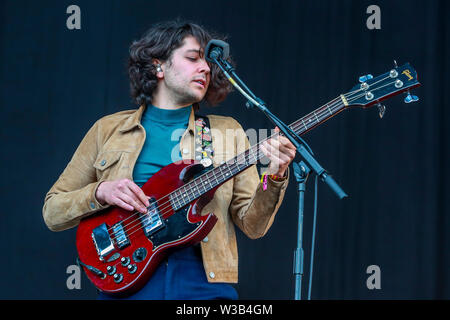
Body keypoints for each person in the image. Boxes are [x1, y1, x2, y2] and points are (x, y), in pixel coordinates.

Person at [42, 20, 296, 300]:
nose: (207, 68)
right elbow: (53, 211)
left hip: (203, 285)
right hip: (129, 283)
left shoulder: (227, 132)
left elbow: (253, 225)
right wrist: (100, 191)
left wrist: (274, 176)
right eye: (193, 58)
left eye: (209, 64)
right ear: (158, 66)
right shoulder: (107, 130)